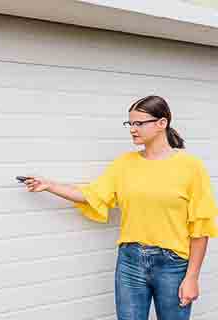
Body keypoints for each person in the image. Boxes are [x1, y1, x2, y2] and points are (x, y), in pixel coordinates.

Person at [21, 95, 218, 320]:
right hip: (130, 261)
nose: (133, 129)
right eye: (130, 123)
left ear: (162, 123)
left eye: (139, 123)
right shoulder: (124, 164)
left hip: (172, 266)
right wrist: (49, 185)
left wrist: (192, 277)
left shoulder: (191, 167)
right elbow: (92, 195)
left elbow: (200, 227)